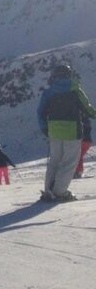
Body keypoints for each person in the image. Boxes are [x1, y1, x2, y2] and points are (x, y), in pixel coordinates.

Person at [37, 64, 96, 202]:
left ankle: (48, 190)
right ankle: (60, 192)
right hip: (72, 130)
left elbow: (40, 112)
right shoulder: (75, 89)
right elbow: (88, 110)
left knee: (55, 160)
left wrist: (45, 128)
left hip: (54, 130)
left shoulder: (49, 92)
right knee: (69, 161)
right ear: (69, 75)